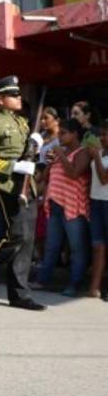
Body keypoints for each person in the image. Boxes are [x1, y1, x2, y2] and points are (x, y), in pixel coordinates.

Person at [0, 76, 46, 311]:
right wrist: (12, 166)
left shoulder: (23, 123)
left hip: (27, 186)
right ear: (0, 99)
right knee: (15, 234)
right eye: (13, 95)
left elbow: (28, 156)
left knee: (26, 240)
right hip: (5, 186)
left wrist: (39, 152)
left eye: (18, 94)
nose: (18, 98)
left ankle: (19, 294)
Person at [35, 119, 91, 296]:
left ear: (74, 134)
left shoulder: (82, 152)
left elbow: (74, 174)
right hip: (56, 205)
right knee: (52, 246)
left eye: (63, 133)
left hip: (73, 207)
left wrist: (61, 154)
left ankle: (74, 284)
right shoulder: (62, 152)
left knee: (76, 248)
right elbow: (45, 177)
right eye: (59, 134)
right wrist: (52, 161)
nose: (59, 137)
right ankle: (42, 280)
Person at [87, 122, 108, 300]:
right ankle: (94, 287)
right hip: (96, 202)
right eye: (102, 134)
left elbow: (103, 179)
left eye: (106, 135)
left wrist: (96, 158)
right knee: (98, 246)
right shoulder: (99, 154)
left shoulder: (98, 156)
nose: (102, 138)